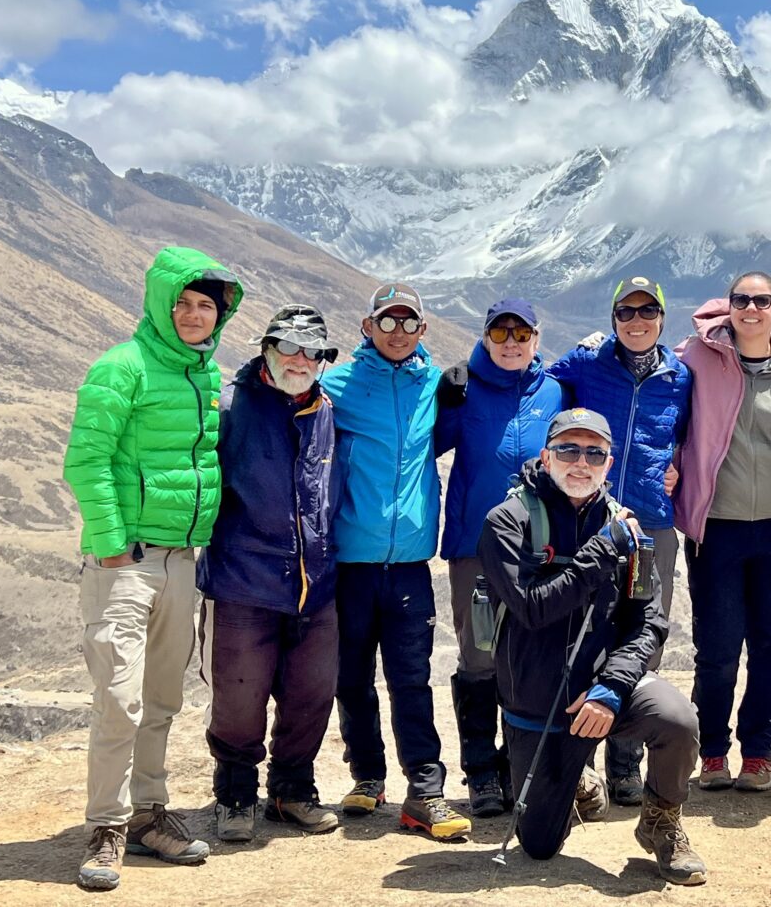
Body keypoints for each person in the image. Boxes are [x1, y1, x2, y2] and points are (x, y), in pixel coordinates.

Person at [63, 247, 242, 891]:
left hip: (182, 560)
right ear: (160, 304)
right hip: (127, 559)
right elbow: (87, 458)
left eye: (207, 306)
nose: (194, 315)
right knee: (119, 697)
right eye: (184, 302)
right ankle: (106, 827)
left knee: (163, 698)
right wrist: (111, 541)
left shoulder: (206, 374)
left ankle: (147, 815)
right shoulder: (121, 367)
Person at [478, 408, 707, 886]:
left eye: (594, 453)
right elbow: (532, 610)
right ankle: (578, 778)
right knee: (539, 847)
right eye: (568, 449)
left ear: (608, 461)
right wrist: (601, 551)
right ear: (545, 456)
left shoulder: (631, 533)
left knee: (678, 720)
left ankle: (661, 822)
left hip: (604, 694)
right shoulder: (507, 521)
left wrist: (612, 686)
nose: (580, 463)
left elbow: (648, 623)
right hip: (537, 707)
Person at [320, 282, 470, 841]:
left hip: (409, 564)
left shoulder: (435, 385)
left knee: (411, 678)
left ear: (423, 331)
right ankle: (367, 777)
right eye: (388, 322)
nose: (398, 332)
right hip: (351, 561)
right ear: (367, 327)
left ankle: (425, 791)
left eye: (409, 323)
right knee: (352, 677)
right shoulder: (337, 385)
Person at [196, 304, 342, 843]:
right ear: (266, 349)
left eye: (312, 351)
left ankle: (292, 790)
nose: (300, 360)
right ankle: (234, 792)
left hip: (316, 583)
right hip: (242, 582)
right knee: (238, 699)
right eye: (289, 347)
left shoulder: (330, 410)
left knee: (312, 692)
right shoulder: (231, 407)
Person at [674, 271, 771, 793]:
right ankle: (711, 750)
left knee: (770, 646)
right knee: (716, 647)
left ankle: (759, 751)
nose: (751, 309)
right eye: (742, 300)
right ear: (728, 305)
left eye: (762, 300)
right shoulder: (698, 355)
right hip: (717, 525)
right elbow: (666, 409)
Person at [547, 276, 691, 805]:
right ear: (613, 319)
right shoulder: (587, 363)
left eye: (647, 311)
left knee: (642, 637)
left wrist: (674, 469)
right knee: (582, 636)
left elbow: (692, 436)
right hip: (590, 518)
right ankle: (578, 763)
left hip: (650, 524)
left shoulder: (680, 376)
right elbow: (537, 380)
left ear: (661, 317)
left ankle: (626, 765)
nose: (637, 321)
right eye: (626, 312)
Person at [434, 298, 565, 817]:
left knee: (529, 657)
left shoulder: (553, 390)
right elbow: (430, 444)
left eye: (522, 334)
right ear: (486, 336)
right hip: (477, 549)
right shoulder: (464, 389)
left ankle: (520, 767)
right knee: (481, 655)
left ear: (537, 337)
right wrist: (442, 398)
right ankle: (481, 772)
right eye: (501, 333)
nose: (511, 343)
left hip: (542, 548)